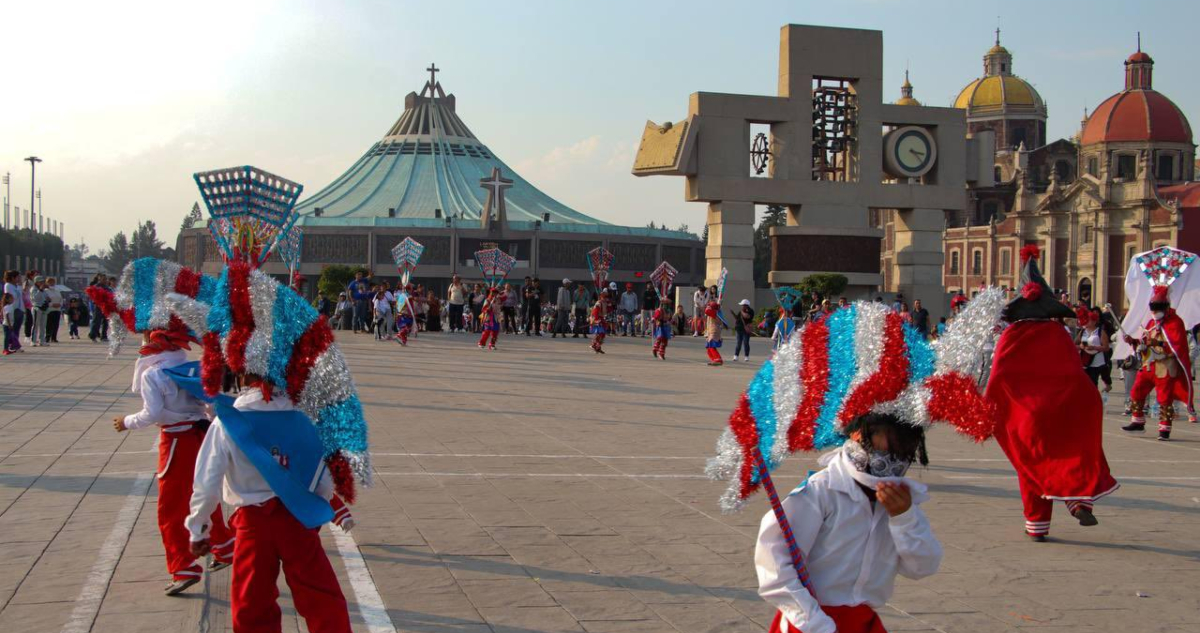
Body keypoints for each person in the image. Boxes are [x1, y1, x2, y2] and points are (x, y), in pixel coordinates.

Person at [756, 412, 942, 633]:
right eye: (889, 441)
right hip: (810, 622)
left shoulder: (901, 499)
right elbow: (774, 565)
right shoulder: (820, 492)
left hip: (863, 623)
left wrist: (905, 518)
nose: (898, 454)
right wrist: (816, 624)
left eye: (907, 447)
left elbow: (922, 567)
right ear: (858, 434)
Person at [986, 245, 1118, 541]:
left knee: (1028, 462)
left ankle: (1037, 523)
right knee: (1072, 452)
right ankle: (1077, 500)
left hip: (1027, 413)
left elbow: (998, 377)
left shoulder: (1010, 336)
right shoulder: (1058, 333)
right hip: (1066, 406)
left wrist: (992, 407)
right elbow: (1073, 370)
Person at [110, 321, 235, 595]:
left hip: (177, 441)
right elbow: (211, 403)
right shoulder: (189, 366)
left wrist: (126, 422)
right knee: (204, 493)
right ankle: (225, 547)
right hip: (200, 437)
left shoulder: (153, 373)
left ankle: (183, 567)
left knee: (171, 509)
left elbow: (152, 413)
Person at [1123, 284, 1195, 439]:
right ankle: (1138, 421)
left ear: (1166, 306)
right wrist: (1133, 341)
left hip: (1165, 366)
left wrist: (1158, 344)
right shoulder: (1151, 323)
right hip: (1149, 365)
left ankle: (1165, 429)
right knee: (1136, 391)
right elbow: (1145, 342)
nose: (1154, 312)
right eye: (1152, 308)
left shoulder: (1175, 322)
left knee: (1164, 398)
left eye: (1157, 308)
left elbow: (1178, 346)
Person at [1077, 311, 1111, 387]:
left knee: (1093, 384)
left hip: (1098, 362)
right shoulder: (1083, 332)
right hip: (1085, 362)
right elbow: (1074, 344)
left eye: (1088, 320)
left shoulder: (1100, 332)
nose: (1086, 321)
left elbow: (1106, 348)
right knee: (1085, 384)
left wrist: (1094, 347)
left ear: (1094, 321)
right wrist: (1081, 346)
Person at [3, 271, 23, 353]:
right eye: (18, 277)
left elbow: (20, 297)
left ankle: (15, 345)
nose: (19, 278)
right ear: (12, 278)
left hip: (19, 309)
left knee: (17, 329)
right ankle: (10, 346)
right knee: (11, 330)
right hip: (12, 310)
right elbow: (12, 297)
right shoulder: (8, 286)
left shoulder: (17, 286)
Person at [705, 293, 724, 366]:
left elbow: (706, 311)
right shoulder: (716, 312)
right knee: (708, 347)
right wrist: (717, 305)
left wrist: (714, 305)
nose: (708, 306)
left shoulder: (714, 313)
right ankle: (714, 360)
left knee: (711, 346)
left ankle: (718, 359)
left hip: (714, 331)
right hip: (711, 331)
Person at [30, 277, 49, 347]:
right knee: (35, 325)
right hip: (36, 307)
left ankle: (42, 340)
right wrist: (40, 290)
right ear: (36, 282)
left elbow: (46, 297)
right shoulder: (33, 289)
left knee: (43, 325)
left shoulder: (43, 290)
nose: (42, 283)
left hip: (44, 308)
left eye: (43, 282)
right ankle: (33, 340)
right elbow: (35, 298)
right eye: (40, 282)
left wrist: (48, 299)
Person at [44, 277, 62, 343]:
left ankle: (54, 337)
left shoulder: (57, 290)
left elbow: (61, 299)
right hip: (50, 309)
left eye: (53, 282)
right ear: (47, 283)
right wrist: (52, 304)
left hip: (57, 309)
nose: (52, 283)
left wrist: (60, 304)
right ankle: (47, 337)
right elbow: (45, 300)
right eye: (50, 282)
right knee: (49, 324)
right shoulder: (45, 291)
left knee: (56, 324)